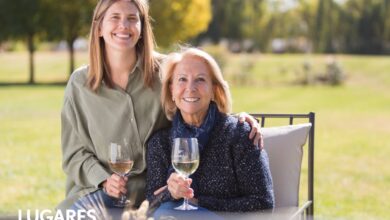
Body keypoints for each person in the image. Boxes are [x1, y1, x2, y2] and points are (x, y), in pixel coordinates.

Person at [58, 0, 263, 215]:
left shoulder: (167, 72)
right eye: (115, 18)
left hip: (155, 194)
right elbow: (75, 154)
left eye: (131, 18)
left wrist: (238, 119)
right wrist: (104, 180)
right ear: (99, 27)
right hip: (98, 192)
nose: (123, 26)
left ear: (142, 27)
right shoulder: (80, 84)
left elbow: (198, 102)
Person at [146, 48, 274, 218]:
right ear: (171, 89)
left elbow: (263, 203)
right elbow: (151, 203)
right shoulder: (160, 142)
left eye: (200, 79)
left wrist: (200, 203)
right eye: (182, 79)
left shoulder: (239, 134)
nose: (190, 88)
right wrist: (171, 192)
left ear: (214, 89)